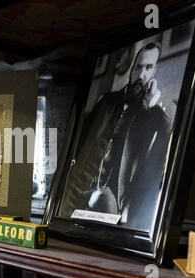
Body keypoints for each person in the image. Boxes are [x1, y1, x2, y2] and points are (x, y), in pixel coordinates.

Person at [62, 42, 172, 230]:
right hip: (78, 187)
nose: (141, 75)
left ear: (155, 71)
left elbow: (168, 129)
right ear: (132, 69)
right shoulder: (107, 101)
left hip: (111, 197)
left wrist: (154, 104)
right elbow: (78, 140)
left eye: (148, 68)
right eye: (138, 67)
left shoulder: (152, 114)